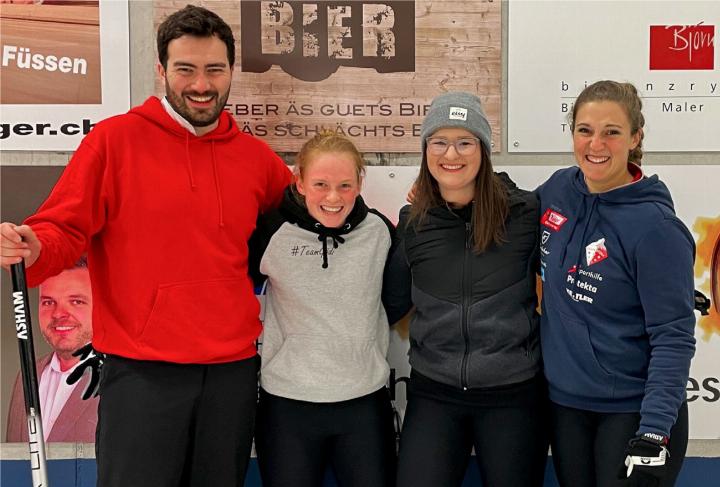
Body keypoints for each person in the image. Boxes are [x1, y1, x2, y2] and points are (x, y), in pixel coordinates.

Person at [0, 5, 291, 487]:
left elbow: (311, 215)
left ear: (232, 71)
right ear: (161, 70)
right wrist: (33, 248)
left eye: (214, 69)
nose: (201, 84)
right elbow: (62, 227)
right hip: (142, 373)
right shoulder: (114, 143)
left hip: (231, 374)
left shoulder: (254, 159)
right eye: (186, 70)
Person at [536, 80, 696, 487]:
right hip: (568, 406)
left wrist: (655, 429)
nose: (596, 144)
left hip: (633, 412)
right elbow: (504, 210)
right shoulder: (559, 189)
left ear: (636, 137)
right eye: (585, 130)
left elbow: (674, 336)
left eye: (612, 132)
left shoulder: (656, 228)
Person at [385, 91, 548, 487]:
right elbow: (389, 304)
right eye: (439, 141)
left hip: (513, 395)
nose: (451, 154)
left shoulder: (525, 214)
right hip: (435, 395)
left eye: (465, 142)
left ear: (484, 150)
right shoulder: (414, 221)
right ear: (425, 150)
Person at [249, 130, 397, 487]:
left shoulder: (379, 231)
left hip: (363, 404)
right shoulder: (271, 232)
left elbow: (398, 298)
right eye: (320, 184)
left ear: (360, 182)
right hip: (287, 406)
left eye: (345, 185)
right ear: (298, 180)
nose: (333, 197)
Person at [6, 257, 98, 443]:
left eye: (76, 301)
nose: (58, 313)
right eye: (48, 302)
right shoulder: (27, 375)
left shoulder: (123, 379)